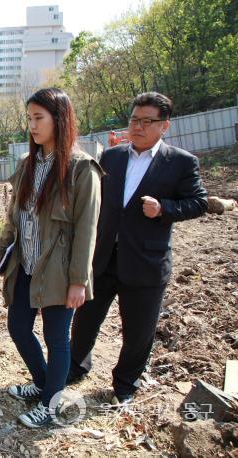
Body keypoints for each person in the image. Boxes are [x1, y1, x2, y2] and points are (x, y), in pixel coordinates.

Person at [68, 92, 208, 405]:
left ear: (164, 126)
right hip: (103, 256)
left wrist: (164, 209)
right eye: (134, 119)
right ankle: (75, 366)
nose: (139, 126)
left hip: (146, 261)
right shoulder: (113, 157)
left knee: (138, 332)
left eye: (147, 121)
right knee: (86, 318)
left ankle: (125, 384)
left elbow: (198, 202)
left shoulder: (181, 162)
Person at [0, 88, 102, 428]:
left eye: (38, 118)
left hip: (58, 269)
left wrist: (78, 280)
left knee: (57, 338)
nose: (32, 125)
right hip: (25, 264)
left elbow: (87, 230)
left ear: (60, 119)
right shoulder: (28, 164)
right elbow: (14, 216)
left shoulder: (81, 169)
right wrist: (4, 252)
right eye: (29, 118)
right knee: (18, 327)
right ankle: (43, 382)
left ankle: (51, 403)